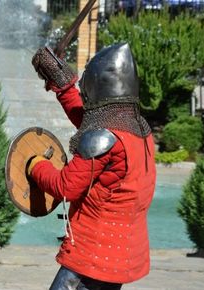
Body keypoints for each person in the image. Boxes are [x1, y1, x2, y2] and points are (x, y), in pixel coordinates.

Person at [29, 43, 156, 290]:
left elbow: (65, 187)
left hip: (93, 251)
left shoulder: (103, 136)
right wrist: (62, 83)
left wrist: (36, 165)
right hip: (119, 251)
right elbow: (89, 120)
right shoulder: (138, 128)